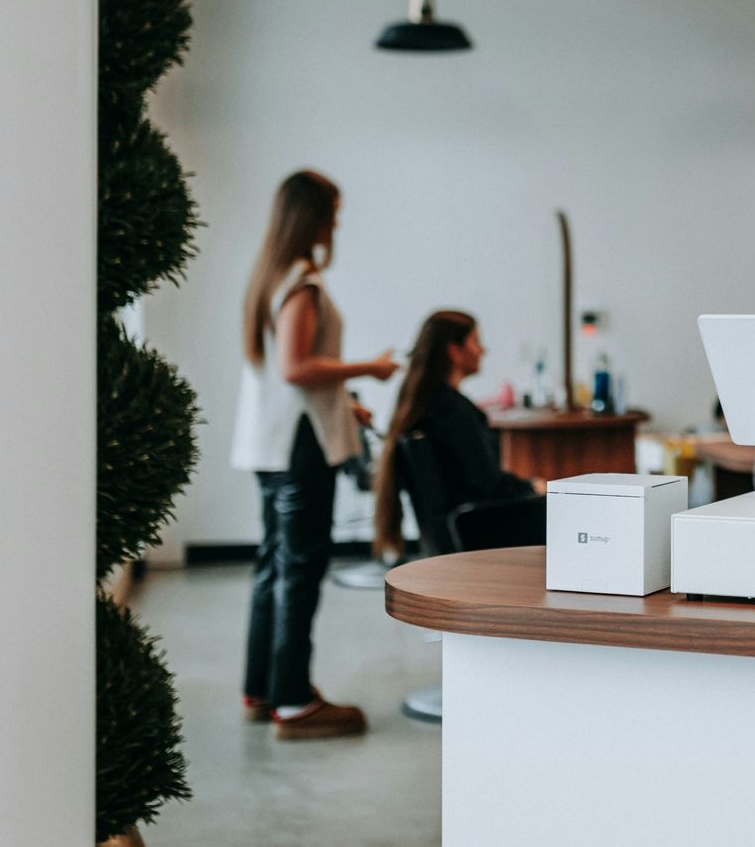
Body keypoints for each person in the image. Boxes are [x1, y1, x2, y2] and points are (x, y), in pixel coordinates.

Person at [231, 169, 398, 740]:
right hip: (300, 447)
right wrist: (368, 369)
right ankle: (296, 704)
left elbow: (287, 375)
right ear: (313, 215)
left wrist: (345, 404)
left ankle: (265, 688)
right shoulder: (302, 282)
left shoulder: (270, 277)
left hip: (269, 443)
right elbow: (297, 368)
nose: (338, 221)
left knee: (273, 565)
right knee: (299, 569)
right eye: (333, 209)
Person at [372, 310, 545, 561]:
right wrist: (532, 486)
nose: (482, 350)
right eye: (476, 342)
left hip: (462, 529)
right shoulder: (453, 411)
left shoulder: (428, 406)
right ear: (453, 351)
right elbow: (488, 485)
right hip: (480, 530)